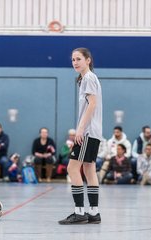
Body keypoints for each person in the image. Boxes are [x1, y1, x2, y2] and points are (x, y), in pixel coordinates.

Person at [59, 48, 102, 225]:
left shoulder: (89, 78)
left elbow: (92, 105)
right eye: (73, 60)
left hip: (88, 132)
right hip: (94, 132)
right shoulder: (88, 78)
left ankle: (79, 213)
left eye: (78, 59)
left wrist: (80, 129)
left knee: (72, 168)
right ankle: (93, 213)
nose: (75, 62)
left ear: (88, 60)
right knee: (89, 170)